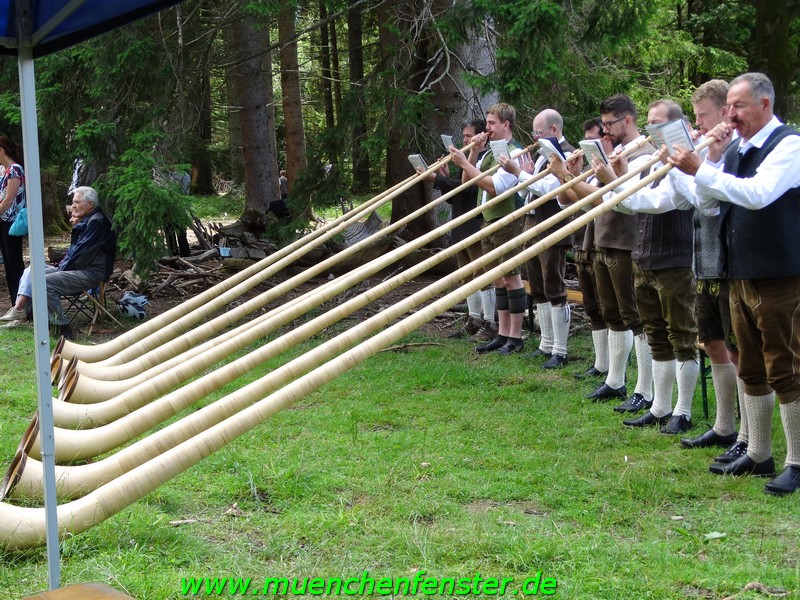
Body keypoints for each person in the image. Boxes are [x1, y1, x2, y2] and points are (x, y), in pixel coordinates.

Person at [670, 72, 800, 494]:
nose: (730, 115)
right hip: (741, 274)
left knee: (786, 366)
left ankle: (797, 462)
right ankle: (759, 454)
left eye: (738, 106)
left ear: (765, 105)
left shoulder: (790, 145)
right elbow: (707, 203)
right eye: (728, 108)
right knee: (751, 365)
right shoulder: (737, 148)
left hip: (781, 276)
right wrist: (708, 162)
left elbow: (758, 194)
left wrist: (703, 170)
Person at [598, 100, 699, 435]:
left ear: (674, 128)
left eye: (657, 125)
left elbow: (654, 202)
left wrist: (615, 178)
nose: (650, 131)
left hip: (675, 261)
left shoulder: (683, 164)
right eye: (650, 124)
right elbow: (629, 205)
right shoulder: (651, 159)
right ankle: (660, 406)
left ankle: (682, 412)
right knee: (656, 335)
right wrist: (619, 173)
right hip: (646, 259)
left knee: (681, 336)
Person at [552, 94, 655, 411]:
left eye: (609, 124)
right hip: (605, 241)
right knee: (613, 314)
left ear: (627, 120)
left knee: (635, 317)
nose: (606, 131)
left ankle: (644, 389)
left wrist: (569, 176)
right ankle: (615, 379)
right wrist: (567, 175)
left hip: (627, 243)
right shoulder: (619, 153)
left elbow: (606, 199)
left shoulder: (644, 153)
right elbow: (580, 199)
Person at [676, 80, 749, 461]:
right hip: (704, 264)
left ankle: (748, 436)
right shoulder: (716, 151)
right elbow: (701, 200)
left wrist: (690, 167)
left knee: (739, 350)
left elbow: (710, 203)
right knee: (715, 343)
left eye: (702, 115)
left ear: (724, 112)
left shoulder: (739, 151)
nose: (698, 124)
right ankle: (725, 425)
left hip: (730, 265)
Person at [498, 109, 574, 369]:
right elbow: (535, 185)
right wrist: (527, 174)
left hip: (552, 225)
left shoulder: (567, 153)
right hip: (533, 222)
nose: (534, 137)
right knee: (539, 287)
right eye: (533, 133)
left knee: (554, 287)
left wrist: (519, 174)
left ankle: (560, 351)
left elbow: (552, 190)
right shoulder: (546, 154)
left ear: (554, 130)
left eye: (538, 132)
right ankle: (546, 344)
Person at [450, 103, 527, 355]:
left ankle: (515, 336)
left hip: (508, 219)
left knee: (511, 277)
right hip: (489, 220)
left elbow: (495, 187)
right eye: (487, 122)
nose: (488, 127)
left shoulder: (514, 151)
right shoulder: (489, 152)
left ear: (506, 125)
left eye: (492, 123)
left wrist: (464, 161)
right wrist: (472, 153)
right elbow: (467, 182)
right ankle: (502, 333)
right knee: (497, 278)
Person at [1, 186, 116, 337]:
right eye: (73, 202)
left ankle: (61, 327)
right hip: (78, 268)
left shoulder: (97, 222)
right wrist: (61, 266)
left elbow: (82, 254)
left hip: (92, 272)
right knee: (31, 270)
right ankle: (24, 314)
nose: (73, 206)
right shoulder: (88, 220)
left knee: (44, 282)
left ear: (90, 205)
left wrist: (61, 269)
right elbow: (77, 253)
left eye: (77, 202)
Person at [421, 119, 497, 341]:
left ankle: (489, 321)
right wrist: (444, 177)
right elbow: (457, 194)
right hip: (461, 222)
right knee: (466, 274)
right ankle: (473, 319)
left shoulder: (485, 158)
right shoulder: (469, 159)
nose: (465, 140)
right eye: (463, 136)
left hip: (475, 222)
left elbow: (469, 189)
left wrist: (437, 178)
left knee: (481, 273)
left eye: (468, 135)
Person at [573, 118, 609, 380]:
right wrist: (571, 176)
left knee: (613, 310)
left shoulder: (613, 166)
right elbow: (568, 201)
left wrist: (568, 177)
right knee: (592, 306)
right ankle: (600, 363)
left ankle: (613, 371)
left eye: (594, 140)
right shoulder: (591, 168)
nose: (589, 147)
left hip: (608, 242)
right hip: (585, 241)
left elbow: (598, 200)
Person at [0, 137, 26, 306]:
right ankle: (15, 306)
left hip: (12, 223)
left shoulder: (15, 170)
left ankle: (25, 305)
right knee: (8, 265)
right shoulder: (3, 170)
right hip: (2, 221)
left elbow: (9, 199)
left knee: (15, 264)